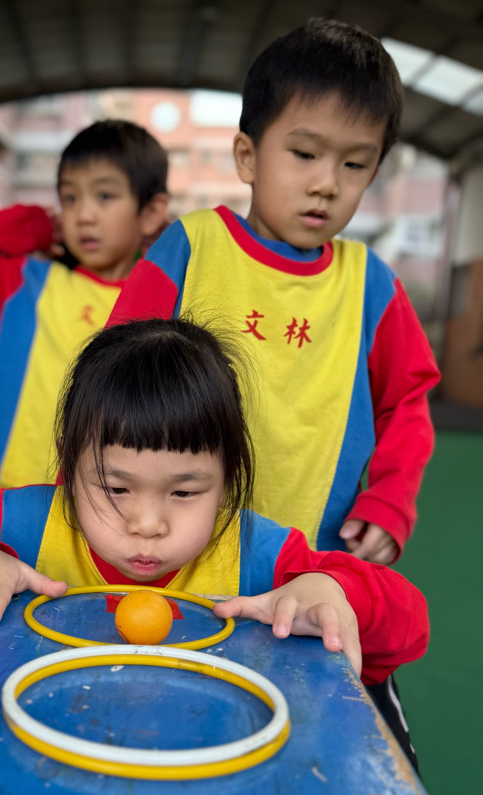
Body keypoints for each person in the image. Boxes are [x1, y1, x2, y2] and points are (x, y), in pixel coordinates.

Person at [0, 318, 429, 707]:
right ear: (68, 464)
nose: (146, 524)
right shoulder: (20, 526)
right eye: (115, 488)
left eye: (184, 493)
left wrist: (333, 591)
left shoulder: (259, 554)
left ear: (228, 479)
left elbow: (409, 626)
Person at [108, 18, 440, 567]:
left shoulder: (372, 286)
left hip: (309, 562)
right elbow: (111, 377)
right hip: (171, 551)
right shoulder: (191, 248)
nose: (326, 183)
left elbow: (406, 404)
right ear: (247, 156)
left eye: (354, 164)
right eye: (305, 154)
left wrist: (390, 500)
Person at [0, 119, 169, 509]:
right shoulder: (25, 285)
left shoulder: (161, 301)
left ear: (150, 212)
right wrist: (36, 225)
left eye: (104, 196)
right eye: (70, 198)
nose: (84, 215)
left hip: (98, 501)